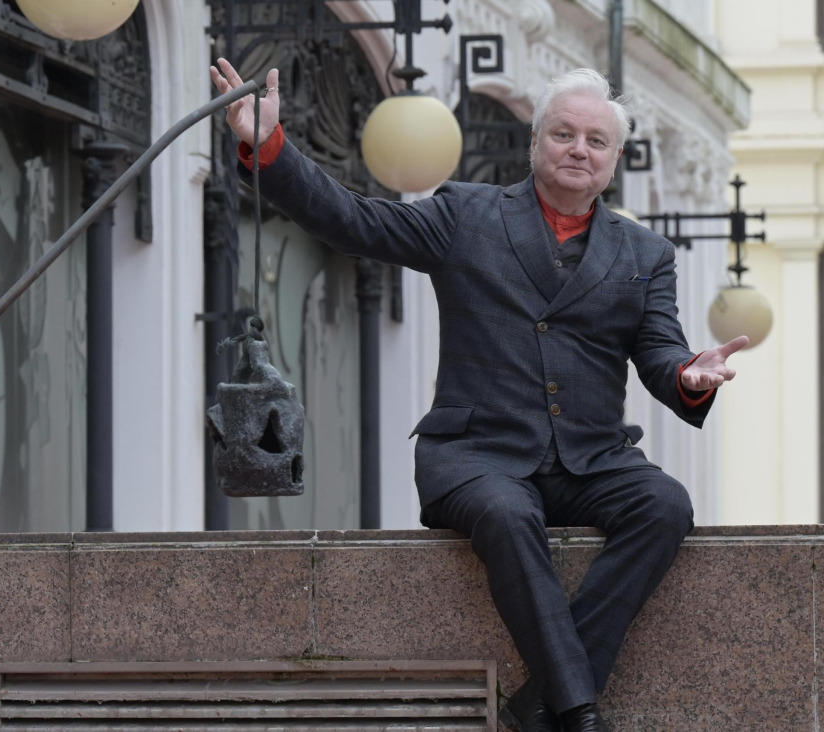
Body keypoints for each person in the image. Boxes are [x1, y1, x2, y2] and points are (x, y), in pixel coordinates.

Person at [210, 59, 747, 732]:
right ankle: (577, 710)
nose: (578, 149)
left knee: (665, 505)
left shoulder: (645, 254)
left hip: (590, 460)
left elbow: (661, 354)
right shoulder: (466, 214)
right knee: (504, 513)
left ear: (613, 160)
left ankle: (541, 700)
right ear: (536, 143)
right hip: (475, 455)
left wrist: (687, 376)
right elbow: (353, 221)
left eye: (595, 140)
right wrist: (270, 147)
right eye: (563, 134)